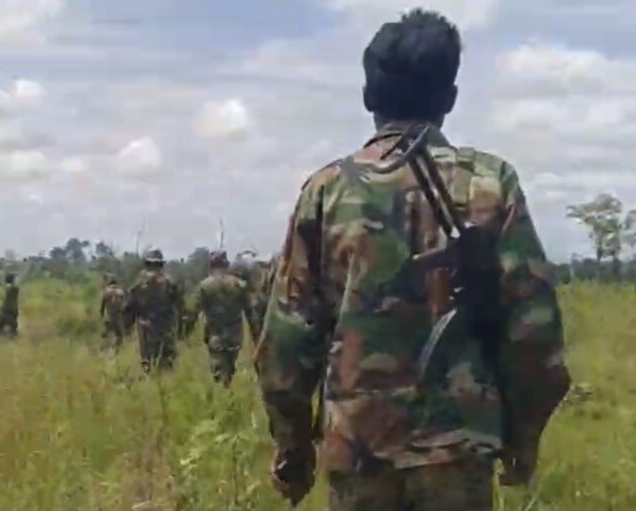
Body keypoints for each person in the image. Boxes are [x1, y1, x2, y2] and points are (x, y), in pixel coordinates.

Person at [254, 9, 571, 510]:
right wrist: (523, 435)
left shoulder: (326, 192)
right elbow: (535, 331)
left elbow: (288, 342)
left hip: (358, 451)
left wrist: (293, 448)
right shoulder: (491, 183)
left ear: (368, 97)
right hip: (458, 454)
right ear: (450, 98)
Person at [196, 250, 258, 387]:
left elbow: (195, 310)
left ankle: (222, 395)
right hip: (235, 335)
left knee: (218, 370)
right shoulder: (239, 285)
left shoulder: (205, 285)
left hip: (215, 334)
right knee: (229, 368)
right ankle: (226, 390)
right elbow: (250, 313)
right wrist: (256, 336)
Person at [123, 248, 183, 373]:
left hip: (146, 331)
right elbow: (181, 307)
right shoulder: (170, 282)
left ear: (147, 263)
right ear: (161, 264)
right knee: (167, 365)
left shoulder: (138, 284)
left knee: (148, 364)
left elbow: (128, 308)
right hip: (166, 330)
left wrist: (127, 328)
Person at [100, 277, 126, 352]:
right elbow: (123, 305)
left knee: (106, 334)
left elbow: (102, 305)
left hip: (108, 316)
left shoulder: (106, 291)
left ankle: (104, 350)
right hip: (117, 317)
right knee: (120, 335)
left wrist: (102, 315)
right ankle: (116, 350)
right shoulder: (120, 292)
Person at [0, 273, 19, 338]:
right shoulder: (13, 289)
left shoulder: (10, 290)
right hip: (10, 313)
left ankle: (7, 334)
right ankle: (8, 334)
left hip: (7, 313)